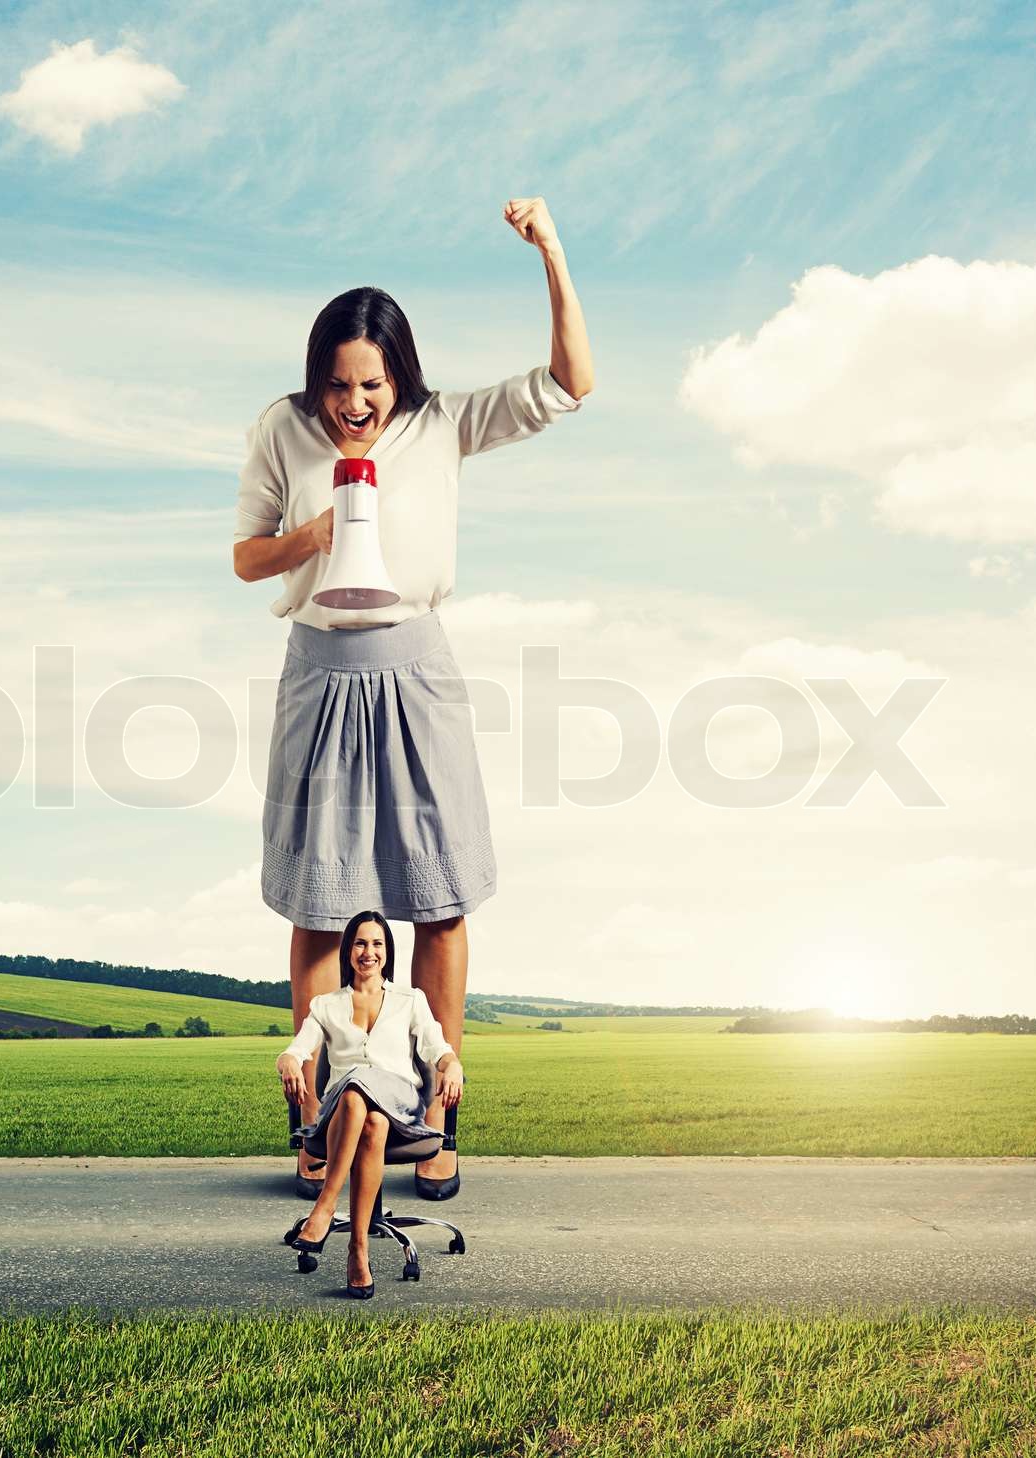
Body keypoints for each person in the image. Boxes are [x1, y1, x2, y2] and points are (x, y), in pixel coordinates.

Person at [235, 196, 594, 1202]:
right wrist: (305, 539)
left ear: (401, 377)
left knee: (438, 899)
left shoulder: (443, 425)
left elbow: (574, 383)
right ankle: (315, 1127)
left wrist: (551, 253)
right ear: (317, 381)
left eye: (373, 385)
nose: (355, 406)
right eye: (339, 387)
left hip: (418, 668)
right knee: (316, 904)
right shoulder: (280, 429)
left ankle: (433, 1124)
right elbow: (242, 559)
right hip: (319, 668)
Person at [277, 910, 464, 1298]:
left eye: (377, 943)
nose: (369, 952)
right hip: (344, 1112)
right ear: (348, 951)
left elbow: (437, 1047)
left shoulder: (410, 999)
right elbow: (298, 1049)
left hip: (401, 1103)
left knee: (357, 1086)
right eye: (361, 943)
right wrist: (288, 1061)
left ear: (387, 951)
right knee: (362, 1108)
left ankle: (325, 1206)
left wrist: (452, 1065)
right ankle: (357, 1251)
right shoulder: (325, 1005)